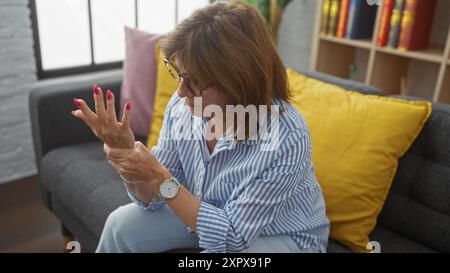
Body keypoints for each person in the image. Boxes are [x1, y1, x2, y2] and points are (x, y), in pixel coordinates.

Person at [71, 0, 329, 253]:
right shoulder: (183, 106)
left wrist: (160, 176)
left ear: (238, 80)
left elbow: (233, 237)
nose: (181, 92)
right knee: (120, 225)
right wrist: (130, 161)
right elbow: (151, 200)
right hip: (207, 211)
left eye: (193, 81)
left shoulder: (287, 136)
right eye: (178, 75)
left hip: (283, 235)